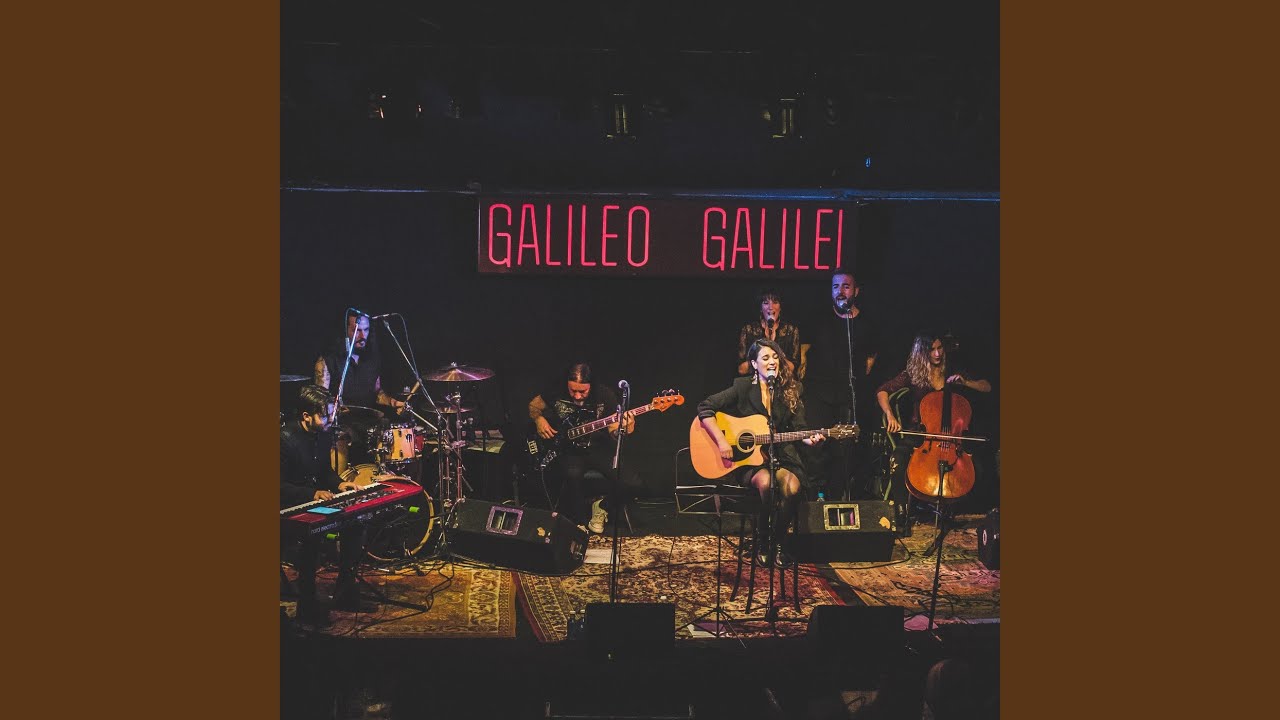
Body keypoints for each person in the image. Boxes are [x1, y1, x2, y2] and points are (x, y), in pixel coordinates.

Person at [697, 339, 825, 568]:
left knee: (792, 488)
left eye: (775, 357)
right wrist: (722, 442)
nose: (772, 361)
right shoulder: (742, 387)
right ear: (755, 364)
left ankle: (779, 542)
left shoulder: (791, 390)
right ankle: (763, 541)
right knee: (767, 484)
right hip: (750, 460)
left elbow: (799, 428)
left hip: (782, 455)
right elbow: (705, 408)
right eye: (765, 358)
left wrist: (809, 439)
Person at [875, 332, 991, 534]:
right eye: (932, 350)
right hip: (921, 435)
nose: (937, 354)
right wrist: (890, 415)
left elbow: (986, 387)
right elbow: (882, 391)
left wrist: (966, 383)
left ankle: (951, 512)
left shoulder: (952, 371)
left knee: (977, 467)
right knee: (897, 459)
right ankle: (901, 516)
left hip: (951, 438)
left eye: (940, 348)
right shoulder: (913, 374)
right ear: (922, 352)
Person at [281, 384, 374, 624]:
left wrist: (340, 484)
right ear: (306, 416)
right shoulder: (284, 440)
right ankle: (307, 604)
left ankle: (345, 590)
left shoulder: (322, 435)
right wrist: (312, 493)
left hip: (310, 501)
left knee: (356, 522)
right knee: (312, 536)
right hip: (288, 506)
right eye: (324, 415)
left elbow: (324, 471)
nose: (329, 420)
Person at [528, 363, 635, 533]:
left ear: (591, 386)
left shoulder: (605, 395)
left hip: (597, 448)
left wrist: (624, 428)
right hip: (568, 449)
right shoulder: (556, 390)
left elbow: (614, 432)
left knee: (630, 482)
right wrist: (538, 420)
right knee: (572, 475)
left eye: (582, 391)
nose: (577, 396)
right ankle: (579, 525)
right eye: (573, 391)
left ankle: (601, 507)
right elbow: (534, 406)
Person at [801, 271, 878, 500]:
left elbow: (870, 360)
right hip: (818, 394)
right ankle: (815, 499)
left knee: (843, 452)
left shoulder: (866, 324)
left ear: (856, 291)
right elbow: (803, 351)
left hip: (848, 396)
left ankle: (836, 499)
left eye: (845, 286)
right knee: (816, 448)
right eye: (835, 287)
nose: (840, 291)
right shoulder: (819, 320)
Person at [313, 311, 407, 466]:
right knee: (343, 435)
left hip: (368, 424)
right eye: (357, 330)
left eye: (366, 330)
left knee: (389, 429)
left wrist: (393, 402)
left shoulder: (372, 360)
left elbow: (377, 393)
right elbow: (319, 399)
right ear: (345, 332)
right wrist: (334, 408)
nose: (363, 336)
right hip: (342, 425)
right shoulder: (328, 361)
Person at [736, 289, 801, 379]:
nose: (771, 307)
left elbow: (793, 368)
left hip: (783, 381)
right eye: (766, 303)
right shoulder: (748, 330)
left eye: (775, 302)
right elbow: (741, 369)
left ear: (780, 307)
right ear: (760, 308)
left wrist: (767, 358)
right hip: (755, 381)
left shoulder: (791, 331)